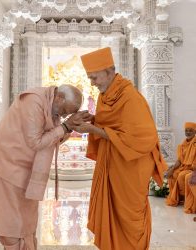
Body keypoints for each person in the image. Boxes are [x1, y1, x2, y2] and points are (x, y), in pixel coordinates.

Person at [0, 84, 91, 250]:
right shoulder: (33, 101)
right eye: (64, 111)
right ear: (59, 98)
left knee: (26, 221)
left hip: (25, 170)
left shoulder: (52, 107)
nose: (63, 116)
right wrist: (65, 127)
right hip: (5, 164)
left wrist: (70, 129)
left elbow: (52, 140)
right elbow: (36, 142)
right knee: (11, 221)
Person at [69, 47, 167, 250]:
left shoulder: (130, 97)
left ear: (109, 71)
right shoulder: (105, 96)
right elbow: (114, 126)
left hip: (131, 165)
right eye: (90, 78)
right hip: (113, 160)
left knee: (128, 214)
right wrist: (93, 120)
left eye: (94, 77)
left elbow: (143, 138)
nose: (92, 83)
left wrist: (93, 129)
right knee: (113, 212)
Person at [166, 122, 196, 206]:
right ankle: (178, 198)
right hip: (184, 167)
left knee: (181, 175)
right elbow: (179, 160)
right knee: (172, 175)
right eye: (186, 130)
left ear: (195, 132)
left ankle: (186, 198)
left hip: (193, 168)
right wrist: (172, 169)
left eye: (191, 130)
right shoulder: (182, 144)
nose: (188, 132)